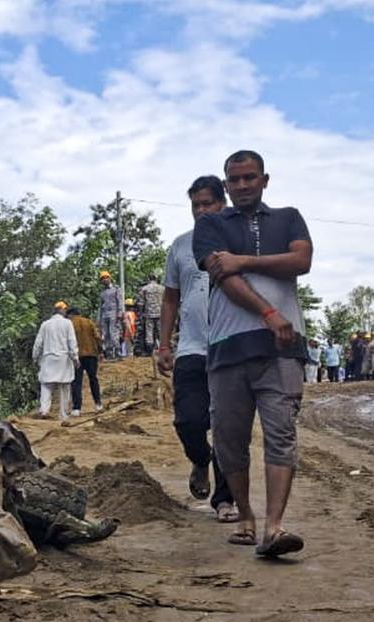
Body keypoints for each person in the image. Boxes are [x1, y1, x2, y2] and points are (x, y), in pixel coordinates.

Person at [192, 149, 312, 558]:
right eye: (235, 179)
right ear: (226, 185)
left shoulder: (289, 217)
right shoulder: (209, 224)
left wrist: (243, 260)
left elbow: (302, 260)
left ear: (264, 180)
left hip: (283, 347)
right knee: (228, 438)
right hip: (228, 348)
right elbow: (223, 278)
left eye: (250, 177)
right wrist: (268, 311)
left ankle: (273, 528)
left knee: (281, 433)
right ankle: (244, 515)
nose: (243, 185)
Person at [156, 174, 236, 522]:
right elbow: (170, 298)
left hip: (231, 346)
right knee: (189, 420)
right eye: (196, 205)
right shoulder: (180, 245)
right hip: (190, 348)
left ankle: (224, 500)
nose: (202, 210)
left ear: (223, 204)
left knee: (227, 427)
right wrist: (163, 345)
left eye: (209, 203)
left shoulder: (239, 240)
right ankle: (199, 459)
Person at [33, 301, 79, 420]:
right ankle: (63, 414)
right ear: (62, 310)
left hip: (48, 358)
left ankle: (44, 410)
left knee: (46, 385)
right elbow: (71, 342)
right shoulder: (67, 323)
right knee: (64, 387)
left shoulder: (45, 324)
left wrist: (35, 357)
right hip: (63, 359)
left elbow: (38, 343)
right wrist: (75, 358)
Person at [67, 306, 102, 414]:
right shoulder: (89, 322)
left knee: (76, 381)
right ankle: (98, 404)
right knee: (93, 379)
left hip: (77, 356)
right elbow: (97, 336)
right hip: (91, 354)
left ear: (70, 315)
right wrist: (100, 351)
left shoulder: (70, 324)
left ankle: (77, 408)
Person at [137, 275, 166, 354]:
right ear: (156, 279)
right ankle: (162, 349)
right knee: (161, 331)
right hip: (161, 313)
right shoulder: (162, 288)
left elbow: (141, 303)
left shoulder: (144, 289)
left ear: (148, 279)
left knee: (149, 332)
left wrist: (140, 314)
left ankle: (150, 351)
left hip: (149, 313)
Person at [97, 272, 123, 360]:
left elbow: (120, 301)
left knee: (113, 333)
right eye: (102, 278)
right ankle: (109, 353)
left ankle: (117, 352)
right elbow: (100, 306)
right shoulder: (102, 292)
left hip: (114, 313)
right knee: (106, 334)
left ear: (110, 278)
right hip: (105, 315)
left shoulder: (116, 289)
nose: (104, 280)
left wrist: (120, 313)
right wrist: (99, 319)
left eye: (106, 278)